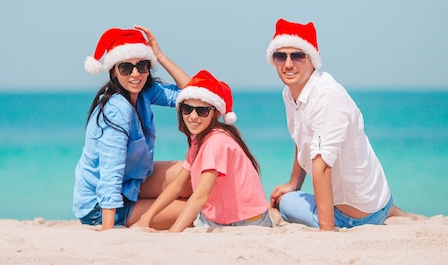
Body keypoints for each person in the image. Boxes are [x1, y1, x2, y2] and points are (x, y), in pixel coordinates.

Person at [266, 18, 410, 231]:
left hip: (355, 217)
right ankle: (389, 209)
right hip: (376, 197)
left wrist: (327, 232)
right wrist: (293, 183)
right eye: (280, 56)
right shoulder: (290, 94)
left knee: (283, 203)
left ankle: (379, 213)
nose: (288, 64)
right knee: (289, 193)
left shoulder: (326, 96)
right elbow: (302, 136)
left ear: (312, 60)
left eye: (297, 56)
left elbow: (322, 166)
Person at [72, 25, 192, 231]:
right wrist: (108, 230)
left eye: (142, 65)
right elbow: (110, 170)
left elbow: (192, 94)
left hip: (133, 182)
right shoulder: (116, 110)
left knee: (193, 176)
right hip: (99, 206)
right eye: (126, 68)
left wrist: (160, 56)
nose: (135, 74)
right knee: (189, 211)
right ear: (114, 72)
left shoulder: (145, 92)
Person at [132, 70, 272, 232]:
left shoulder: (215, 141)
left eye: (202, 111)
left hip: (244, 223)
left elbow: (200, 196)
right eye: (187, 109)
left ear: (216, 113)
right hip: (217, 218)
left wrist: (173, 233)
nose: (193, 116)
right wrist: (146, 219)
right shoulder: (199, 139)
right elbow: (177, 185)